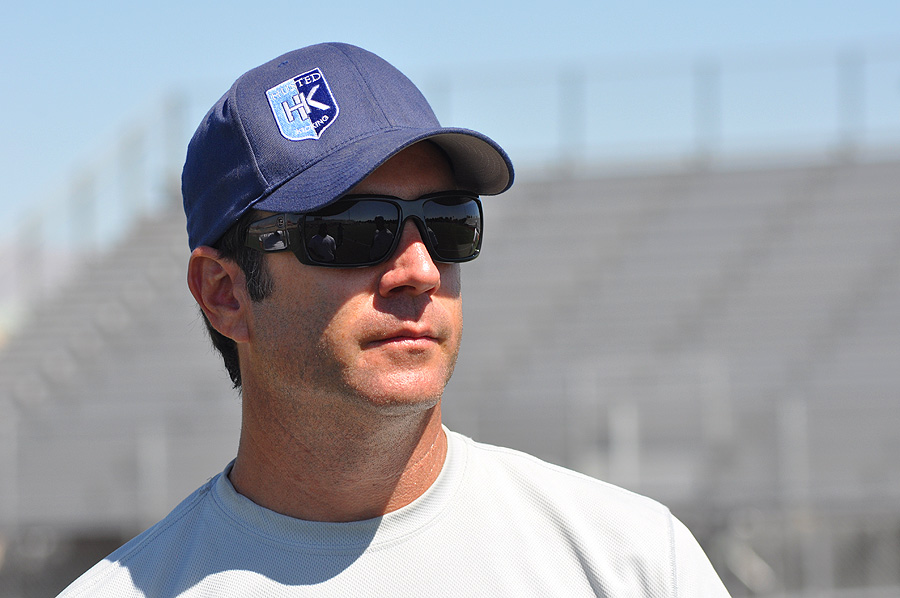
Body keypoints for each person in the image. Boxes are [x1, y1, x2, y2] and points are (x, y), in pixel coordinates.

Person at [58, 43, 730, 597]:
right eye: (354, 229)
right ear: (225, 293)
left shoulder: (636, 563)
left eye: (448, 222)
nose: (420, 269)